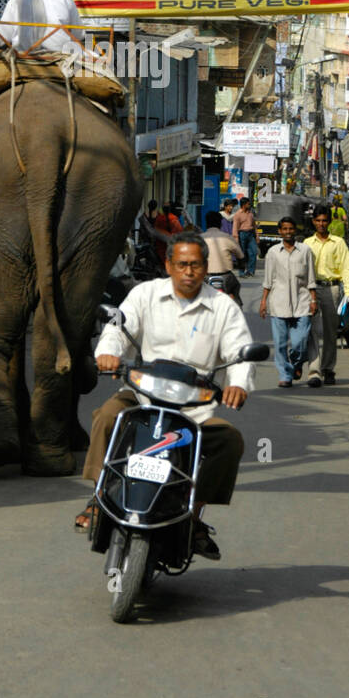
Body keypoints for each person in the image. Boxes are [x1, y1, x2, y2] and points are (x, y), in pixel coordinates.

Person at [76, 234, 256, 559]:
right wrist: (108, 354)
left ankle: (193, 516)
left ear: (205, 267)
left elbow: (239, 353)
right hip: (142, 396)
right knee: (106, 417)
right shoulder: (144, 294)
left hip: (193, 408)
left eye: (196, 265)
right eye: (182, 264)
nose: (189, 272)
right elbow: (118, 328)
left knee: (229, 441)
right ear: (169, 265)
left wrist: (238, 383)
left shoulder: (223, 307)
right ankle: (99, 498)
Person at [260, 216, 318, 387]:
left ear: (295, 231)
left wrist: (313, 300)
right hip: (278, 303)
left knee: (300, 342)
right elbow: (268, 280)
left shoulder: (305, 251)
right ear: (279, 231)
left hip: (302, 302)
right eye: (284, 229)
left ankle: (296, 363)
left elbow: (311, 278)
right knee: (279, 343)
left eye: (290, 229)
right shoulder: (272, 253)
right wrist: (263, 302)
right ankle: (285, 375)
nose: (287, 232)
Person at [303, 203, 349, 387]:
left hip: (331, 290)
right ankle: (314, 371)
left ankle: (328, 368)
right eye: (318, 221)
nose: (321, 224)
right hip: (311, 290)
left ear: (329, 221)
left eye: (324, 220)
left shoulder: (338, 243)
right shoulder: (307, 244)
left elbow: (346, 269)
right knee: (311, 331)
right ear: (313, 222)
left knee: (330, 332)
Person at [203, 209, 244, 305]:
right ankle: (237, 311)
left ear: (207, 223)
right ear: (220, 224)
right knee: (236, 289)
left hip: (204, 277)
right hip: (226, 277)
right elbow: (240, 256)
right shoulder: (227, 237)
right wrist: (241, 266)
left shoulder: (200, 238)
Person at [152, 200, 182, 269]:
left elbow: (155, 231)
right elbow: (179, 232)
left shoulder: (159, 218)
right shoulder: (173, 219)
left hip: (160, 247)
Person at [232, 197, 258, 277]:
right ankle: (241, 272)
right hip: (241, 234)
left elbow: (254, 225)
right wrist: (236, 238)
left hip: (250, 234)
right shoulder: (237, 214)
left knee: (253, 252)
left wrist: (257, 235)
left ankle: (250, 271)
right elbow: (235, 227)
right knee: (241, 254)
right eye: (248, 204)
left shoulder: (250, 213)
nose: (249, 205)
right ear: (243, 205)